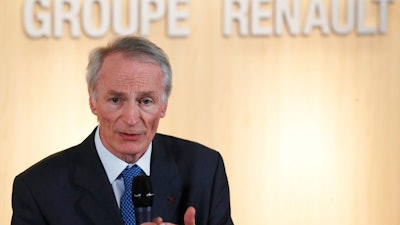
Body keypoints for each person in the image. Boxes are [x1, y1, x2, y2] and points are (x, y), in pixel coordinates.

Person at [11, 36, 234, 225]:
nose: (130, 118)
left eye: (146, 101)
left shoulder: (205, 170)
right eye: (116, 99)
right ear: (93, 100)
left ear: (164, 105)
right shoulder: (38, 189)